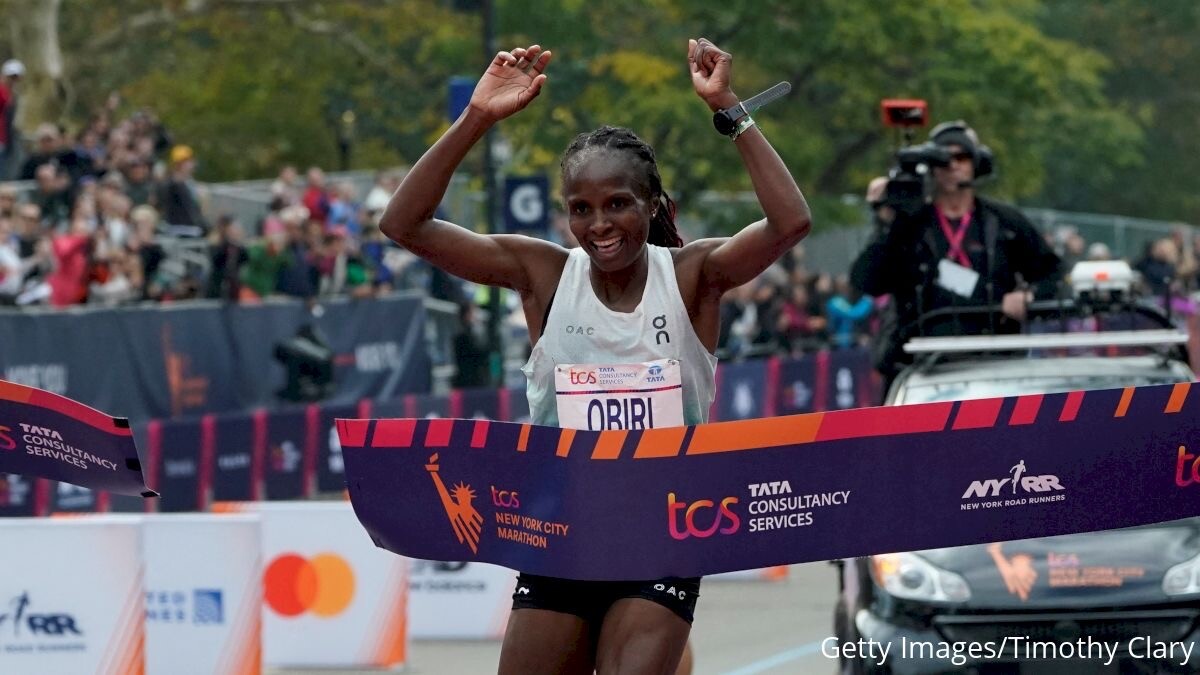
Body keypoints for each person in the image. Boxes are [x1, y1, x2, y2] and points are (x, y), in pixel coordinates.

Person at [379, 37, 810, 675]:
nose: (600, 225)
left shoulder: (692, 276)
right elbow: (403, 225)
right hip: (563, 531)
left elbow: (789, 223)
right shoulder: (545, 275)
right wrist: (477, 118)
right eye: (581, 209)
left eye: (617, 205)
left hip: (664, 528)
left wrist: (730, 110)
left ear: (652, 205)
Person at [850, 121, 1061, 381]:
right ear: (931, 168)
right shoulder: (910, 224)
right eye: (942, 159)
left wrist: (1029, 297)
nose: (952, 166)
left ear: (977, 163)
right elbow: (866, 281)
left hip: (994, 358)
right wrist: (886, 223)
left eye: (961, 157)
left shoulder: (1003, 222)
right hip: (921, 361)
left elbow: (1053, 272)